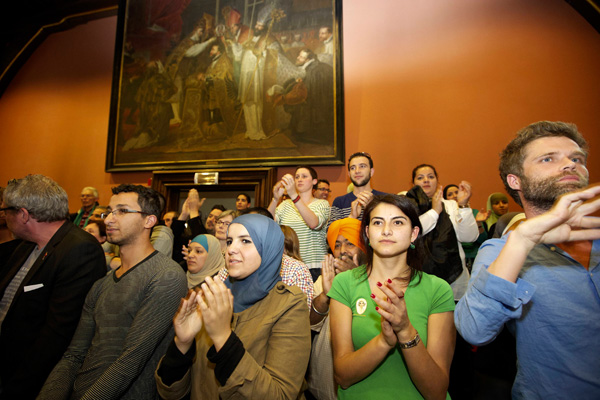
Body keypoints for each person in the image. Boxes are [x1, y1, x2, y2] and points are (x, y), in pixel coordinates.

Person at [455, 121, 600, 399]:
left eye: (576, 158)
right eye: (548, 158)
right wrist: (521, 241)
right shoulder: (501, 252)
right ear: (515, 180)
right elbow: (474, 330)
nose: (570, 164)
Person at [39, 184, 187, 399]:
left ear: (149, 220)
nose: (108, 219)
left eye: (123, 211)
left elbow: (130, 361)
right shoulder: (102, 284)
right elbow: (74, 355)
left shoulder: (166, 276)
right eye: (110, 211)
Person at [155, 214, 311, 399]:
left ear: (268, 247)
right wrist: (182, 345)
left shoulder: (289, 305)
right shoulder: (211, 296)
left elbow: (280, 395)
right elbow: (172, 393)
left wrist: (223, 337)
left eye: (245, 241)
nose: (231, 249)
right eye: (229, 241)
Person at [328, 195, 456, 399]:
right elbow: (342, 375)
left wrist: (405, 331)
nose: (386, 230)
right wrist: (384, 342)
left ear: (414, 234)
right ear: (368, 233)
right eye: (378, 222)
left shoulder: (437, 290)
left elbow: (437, 391)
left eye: (397, 222)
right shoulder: (345, 283)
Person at [0, 175, 106, 399]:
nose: (3, 216)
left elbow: (58, 334)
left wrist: (16, 388)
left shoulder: (79, 249)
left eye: (5, 210)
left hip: (28, 381)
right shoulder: (24, 245)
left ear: (23, 214)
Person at [307, 218, 367, 400]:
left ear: (363, 246)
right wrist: (326, 295)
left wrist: (356, 279)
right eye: (338, 244)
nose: (342, 251)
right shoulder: (325, 276)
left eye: (350, 243)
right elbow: (309, 323)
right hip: (324, 380)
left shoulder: (376, 276)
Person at [268, 166, 330, 280]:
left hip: (314, 266)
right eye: (297, 177)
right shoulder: (285, 205)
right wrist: (275, 199)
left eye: (304, 176)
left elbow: (314, 224)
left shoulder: (322, 204)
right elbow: (268, 226)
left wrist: (293, 195)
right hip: (290, 266)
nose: (299, 179)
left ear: (314, 181)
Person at [329, 152, 387, 227]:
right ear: (349, 174)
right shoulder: (340, 202)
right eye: (352, 168)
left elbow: (390, 229)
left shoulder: (385, 199)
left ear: (371, 172)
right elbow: (331, 235)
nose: (357, 171)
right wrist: (352, 217)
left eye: (362, 166)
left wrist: (371, 208)